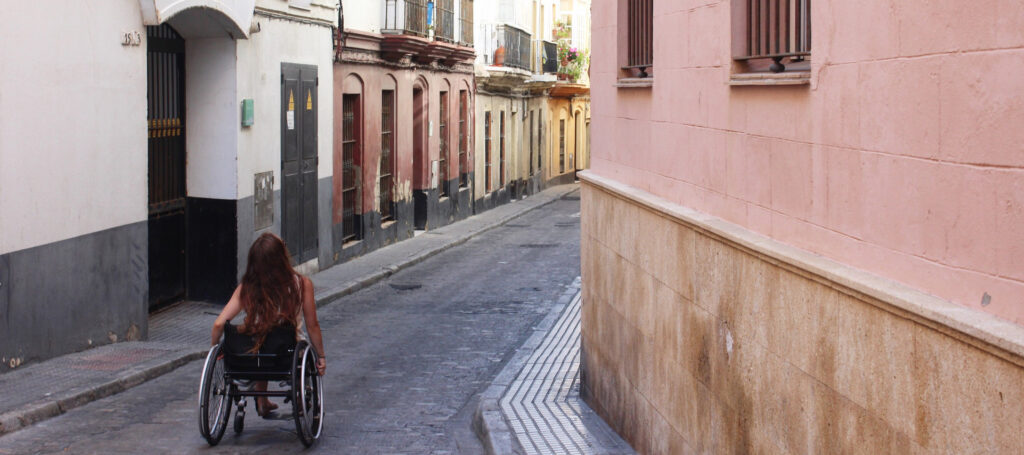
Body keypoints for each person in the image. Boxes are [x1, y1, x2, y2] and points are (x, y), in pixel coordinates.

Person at [210, 232, 326, 417]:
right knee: (282, 343)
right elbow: (312, 326)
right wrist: (321, 356)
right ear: (282, 258)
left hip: (250, 354)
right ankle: (299, 397)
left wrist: (216, 351)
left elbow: (218, 324)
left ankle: (262, 401)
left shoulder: (246, 289)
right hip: (286, 353)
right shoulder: (302, 285)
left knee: (260, 340)